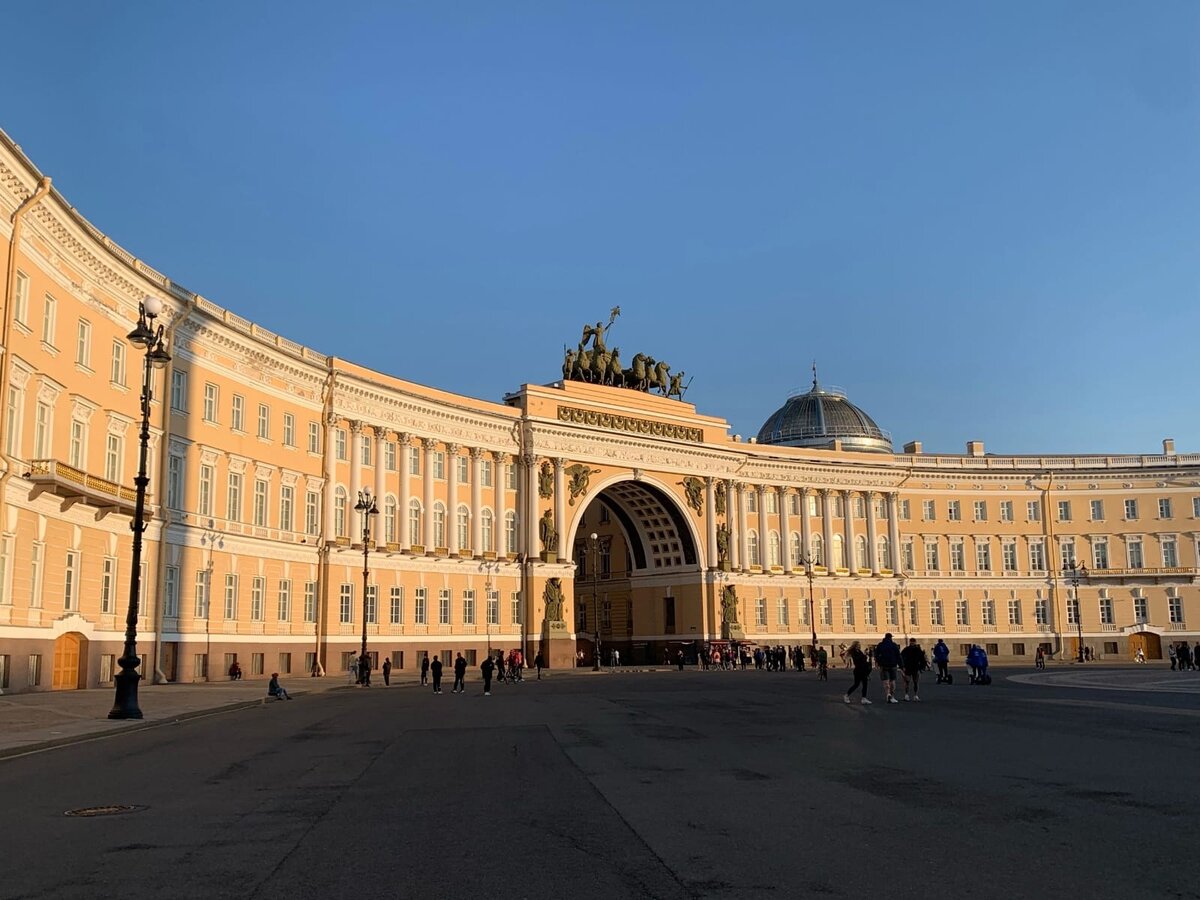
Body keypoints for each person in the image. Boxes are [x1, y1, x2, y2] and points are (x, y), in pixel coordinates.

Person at [874, 632, 902, 704]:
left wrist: (878, 662)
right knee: (892, 681)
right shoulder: (894, 645)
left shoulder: (880, 645)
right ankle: (892, 696)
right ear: (891, 638)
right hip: (893, 665)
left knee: (885, 681)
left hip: (883, 665)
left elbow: (876, 655)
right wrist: (901, 666)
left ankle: (887, 694)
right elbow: (898, 655)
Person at [843, 641, 872, 705]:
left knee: (865, 684)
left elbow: (863, 659)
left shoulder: (859, 651)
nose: (860, 646)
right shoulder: (854, 652)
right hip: (858, 670)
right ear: (855, 645)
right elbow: (857, 659)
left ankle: (864, 698)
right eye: (858, 645)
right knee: (856, 684)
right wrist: (864, 656)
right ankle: (847, 695)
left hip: (863, 669)